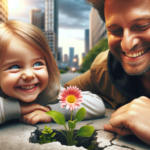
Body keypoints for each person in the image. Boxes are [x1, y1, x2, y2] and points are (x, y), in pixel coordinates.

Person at [64, 0, 150, 145]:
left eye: (142, 26)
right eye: (115, 31)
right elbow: (60, 93)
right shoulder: (104, 69)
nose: (127, 44)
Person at [0, 20, 105, 125]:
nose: (29, 75)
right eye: (15, 66)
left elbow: (97, 105)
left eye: (37, 64)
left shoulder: (50, 91)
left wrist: (51, 112)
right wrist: (11, 108)